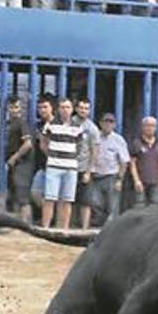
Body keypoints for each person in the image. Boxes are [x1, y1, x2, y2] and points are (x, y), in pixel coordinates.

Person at [41, 98, 83, 229]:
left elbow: (80, 146)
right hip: (54, 166)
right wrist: (52, 156)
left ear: (72, 109)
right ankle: (46, 228)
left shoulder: (78, 126)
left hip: (70, 167)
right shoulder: (50, 124)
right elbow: (43, 143)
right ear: (58, 109)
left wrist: (71, 157)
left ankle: (64, 229)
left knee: (67, 199)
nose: (65, 110)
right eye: (62, 107)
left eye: (68, 107)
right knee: (50, 198)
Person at [92, 113, 129, 222]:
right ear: (100, 123)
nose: (108, 124)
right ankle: (99, 224)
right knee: (95, 202)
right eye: (106, 121)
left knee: (112, 206)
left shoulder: (118, 139)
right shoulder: (95, 137)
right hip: (96, 176)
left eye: (111, 121)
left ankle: (111, 229)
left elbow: (124, 161)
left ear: (114, 125)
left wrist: (119, 180)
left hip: (112, 176)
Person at [5, 97, 33, 221]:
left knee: (23, 197)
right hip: (16, 164)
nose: (14, 110)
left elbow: (28, 144)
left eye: (16, 107)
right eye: (11, 107)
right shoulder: (9, 123)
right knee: (16, 195)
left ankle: (26, 226)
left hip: (23, 163)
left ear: (21, 108)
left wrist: (14, 157)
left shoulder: (21, 122)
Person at [73, 99, 100, 230]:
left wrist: (89, 172)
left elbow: (94, 151)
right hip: (70, 166)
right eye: (81, 108)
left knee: (86, 201)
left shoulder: (92, 128)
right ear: (76, 108)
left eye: (86, 108)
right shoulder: (70, 123)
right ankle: (68, 227)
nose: (83, 111)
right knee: (69, 199)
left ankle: (84, 228)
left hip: (84, 169)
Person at [129, 116, 158, 210]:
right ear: (142, 127)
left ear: (156, 128)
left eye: (153, 126)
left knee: (155, 208)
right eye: (147, 125)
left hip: (155, 182)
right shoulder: (136, 143)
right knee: (139, 208)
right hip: (141, 182)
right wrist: (136, 180)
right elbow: (132, 164)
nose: (150, 128)